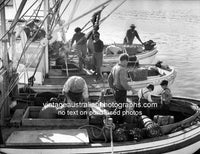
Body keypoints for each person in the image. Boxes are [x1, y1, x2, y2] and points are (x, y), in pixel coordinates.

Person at [108, 53, 137, 124]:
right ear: (124, 61)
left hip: (115, 90)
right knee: (120, 108)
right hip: (121, 91)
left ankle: (120, 122)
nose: (127, 64)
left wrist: (111, 87)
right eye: (127, 62)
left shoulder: (115, 67)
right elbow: (123, 83)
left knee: (121, 107)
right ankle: (111, 121)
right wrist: (131, 89)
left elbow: (109, 78)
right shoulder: (122, 69)